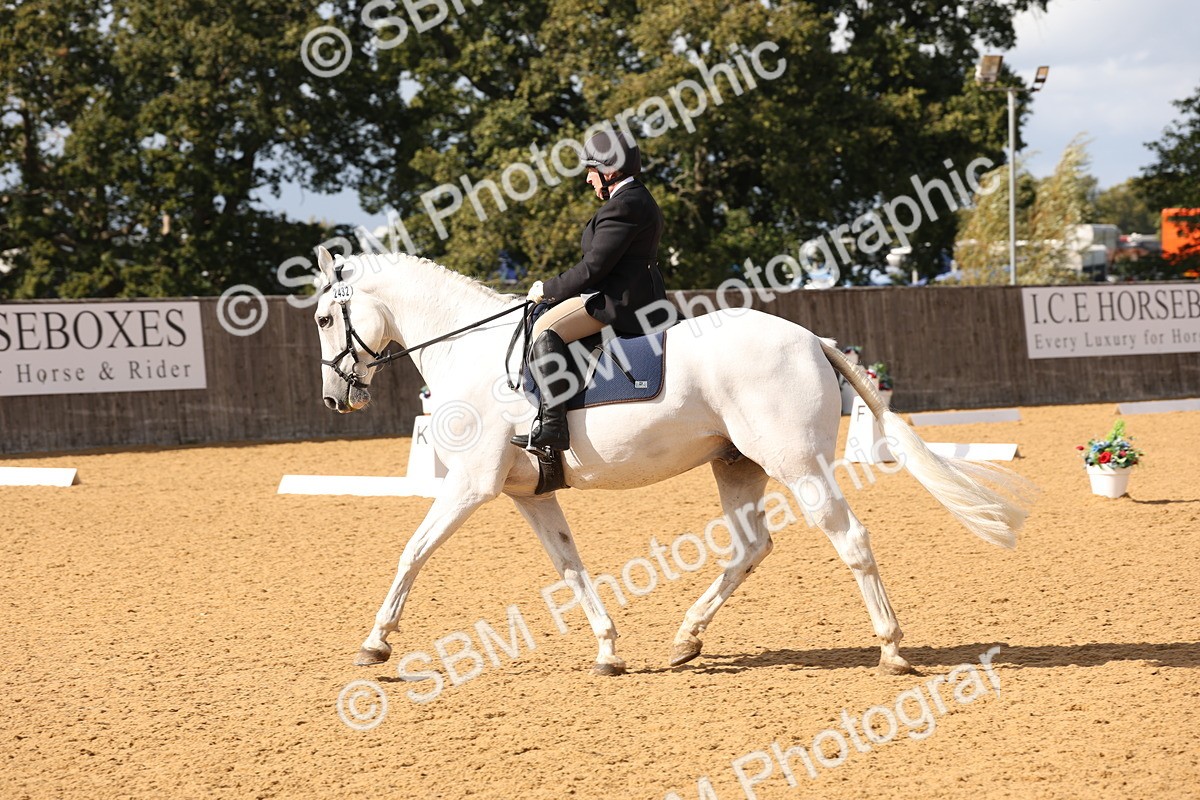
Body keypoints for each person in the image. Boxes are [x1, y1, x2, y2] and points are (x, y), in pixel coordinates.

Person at [510, 129, 666, 453]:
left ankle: (553, 426)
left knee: (544, 326)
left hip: (620, 302)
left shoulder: (624, 205)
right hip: (633, 293)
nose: (588, 180)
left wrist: (547, 289)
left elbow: (593, 268)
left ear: (609, 171)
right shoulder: (635, 198)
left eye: (591, 172)